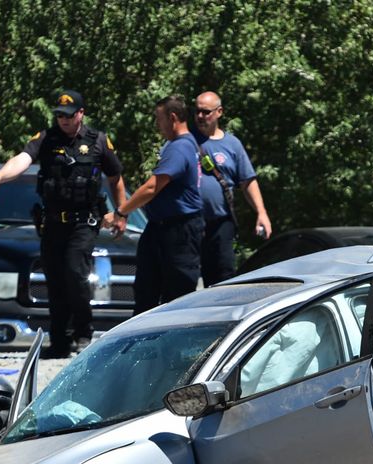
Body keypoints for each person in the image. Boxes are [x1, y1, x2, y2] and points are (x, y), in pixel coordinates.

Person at [0, 90, 128, 359]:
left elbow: (116, 176)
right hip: (52, 224)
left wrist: (121, 212)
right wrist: (0, 176)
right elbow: (22, 159)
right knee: (56, 281)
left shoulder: (98, 142)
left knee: (75, 272)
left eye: (69, 116)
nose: (64, 120)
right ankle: (59, 341)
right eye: (60, 115)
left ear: (81, 114)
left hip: (83, 223)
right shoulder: (46, 139)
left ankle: (83, 332)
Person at [104, 95, 203, 313]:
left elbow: (152, 187)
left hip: (179, 231)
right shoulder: (179, 145)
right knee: (146, 290)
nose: (158, 126)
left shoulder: (180, 147)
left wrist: (120, 212)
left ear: (173, 117)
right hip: (161, 228)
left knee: (177, 296)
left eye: (159, 119)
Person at [193, 91, 272, 285]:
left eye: (206, 112)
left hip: (220, 223)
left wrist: (261, 212)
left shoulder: (232, 144)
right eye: (197, 112)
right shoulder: (186, 141)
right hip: (190, 223)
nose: (201, 116)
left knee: (223, 276)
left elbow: (247, 181)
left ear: (219, 112)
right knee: (186, 278)